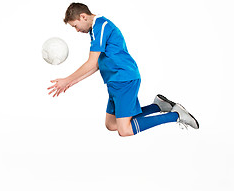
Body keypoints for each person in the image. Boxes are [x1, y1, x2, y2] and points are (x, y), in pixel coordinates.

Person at [48, 2, 199, 136]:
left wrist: (66, 79)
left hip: (123, 79)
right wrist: (70, 83)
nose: (77, 30)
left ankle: (176, 115)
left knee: (124, 130)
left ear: (83, 17)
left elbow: (91, 62)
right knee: (111, 124)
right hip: (115, 81)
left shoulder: (101, 26)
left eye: (75, 26)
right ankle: (158, 106)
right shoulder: (95, 29)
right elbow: (96, 65)